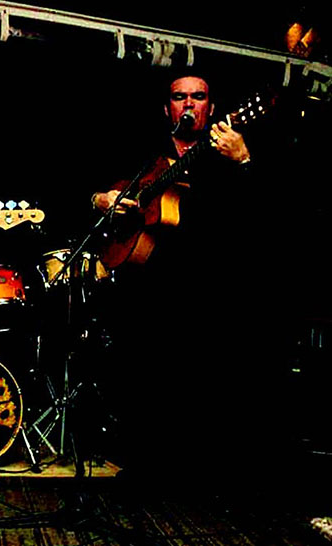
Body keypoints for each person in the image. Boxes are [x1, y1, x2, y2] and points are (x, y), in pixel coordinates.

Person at [85, 70, 278, 483]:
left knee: (198, 380)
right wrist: (101, 199)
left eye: (198, 96)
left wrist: (245, 161)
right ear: (167, 108)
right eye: (179, 97)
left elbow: (268, 214)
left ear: (212, 106)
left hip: (208, 282)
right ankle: (145, 466)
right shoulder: (145, 153)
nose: (189, 104)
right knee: (143, 376)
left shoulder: (225, 148)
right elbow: (97, 190)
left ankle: (201, 475)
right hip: (147, 282)